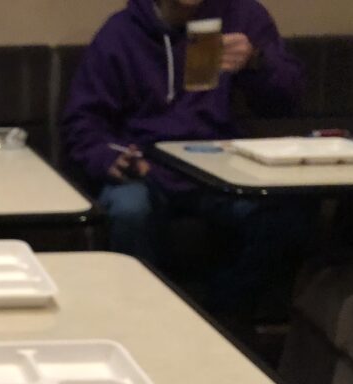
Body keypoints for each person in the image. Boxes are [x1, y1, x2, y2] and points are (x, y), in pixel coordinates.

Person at [61, 0, 309, 323]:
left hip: (219, 169)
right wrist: (107, 156)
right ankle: (140, 322)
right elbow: (82, 122)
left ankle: (223, 320)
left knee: (286, 210)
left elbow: (288, 100)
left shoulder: (243, 16)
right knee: (129, 209)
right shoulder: (122, 32)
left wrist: (257, 61)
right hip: (147, 168)